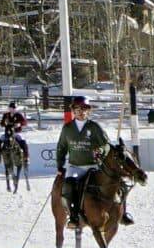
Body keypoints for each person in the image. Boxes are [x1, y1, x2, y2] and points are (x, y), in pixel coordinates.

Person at [51, 94, 123, 226]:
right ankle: (74, 217)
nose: (81, 112)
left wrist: (101, 151)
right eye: (78, 109)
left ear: (89, 111)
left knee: (118, 182)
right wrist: (59, 165)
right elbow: (61, 147)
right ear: (73, 111)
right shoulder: (67, 128)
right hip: (76, 166)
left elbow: (106, 144)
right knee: (69, 186)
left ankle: (122, 213)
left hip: (95, 166)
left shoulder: (94, 127)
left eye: (84, 109)